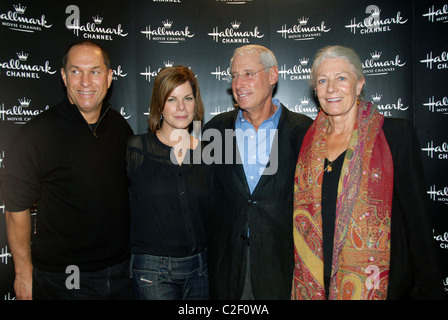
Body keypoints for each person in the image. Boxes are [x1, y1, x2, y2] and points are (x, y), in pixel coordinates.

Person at [292, 45, 445, 300]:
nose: (331, 88)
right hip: (314, 284)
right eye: (322, 80)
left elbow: (417, 225)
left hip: (378, 286)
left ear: (359, 84)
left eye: (341, 78)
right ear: (315, 89)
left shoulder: (395, 135)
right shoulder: (302, 140)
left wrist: (432, 291)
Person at [0, 41, 134, 300]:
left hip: (121, 273)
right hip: (63, 278)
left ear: (109, 77)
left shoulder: (119, 126)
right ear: (63, 76)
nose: (85, 81)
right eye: (75, 71)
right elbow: (16, 209)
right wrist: (23, 272)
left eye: (94, 71)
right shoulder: (36, 134)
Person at [203, 44, 313, 299]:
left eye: (248, 74)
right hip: (228, 271)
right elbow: (206, 198)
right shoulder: (216, 130)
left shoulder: (303, 131)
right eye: (234, 76)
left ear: (272, 75)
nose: (238, 84)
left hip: (283, 270)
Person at [127, 66, 210, 300]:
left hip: (201, 271)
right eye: (172, 99)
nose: (181, 107)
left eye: (187, 98)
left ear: (196, 103)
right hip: (153, 272)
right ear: (159, 105)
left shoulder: (208, 154)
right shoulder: (135, 150)